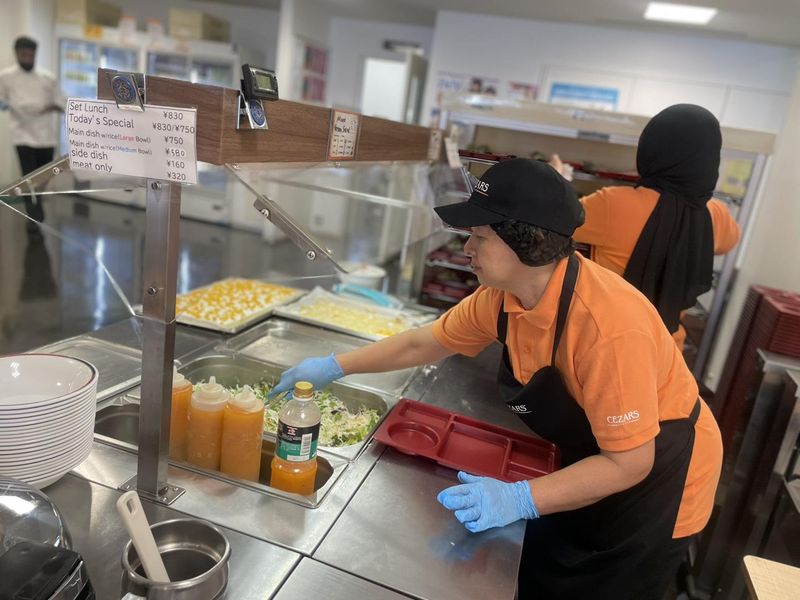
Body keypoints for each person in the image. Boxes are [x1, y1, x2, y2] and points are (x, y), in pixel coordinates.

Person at [271, 158, 723, 600]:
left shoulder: (608, 328)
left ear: (530, 244)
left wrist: (520, 498)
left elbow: (629, 463)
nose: (466, 248)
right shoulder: (501, 298)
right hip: (594, 457)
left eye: (481, 236)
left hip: (659, 481)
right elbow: (422, 344)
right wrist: (336, 365)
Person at [555, 104, 740, 349]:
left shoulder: (613, 203)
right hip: (668, 350)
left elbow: (552, 218)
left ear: (650, 148)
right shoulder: (716, 215)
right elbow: (728, 242)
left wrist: (557, 179)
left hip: (604, 344)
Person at [0, 36, 65, 234]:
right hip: (22, 135)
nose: (27, 59)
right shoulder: (5, 76)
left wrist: (50, 107)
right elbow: (1, 100)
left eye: (31, 55)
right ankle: (33, 214)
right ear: (16, 54)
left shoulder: (48, 77)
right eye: (24, 55)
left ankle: (37, 204)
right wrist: (7, 105)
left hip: (45, 136)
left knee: (43, 177)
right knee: (28, 177)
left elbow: (61, 102)